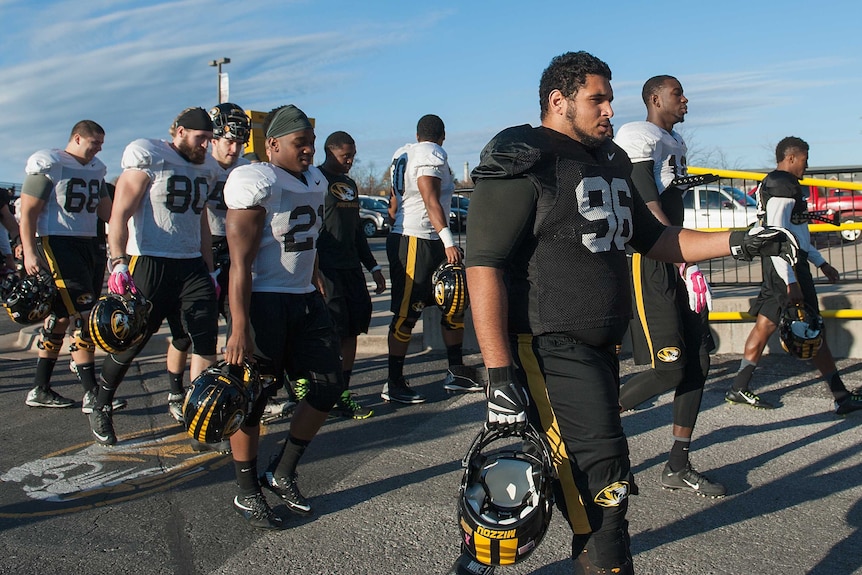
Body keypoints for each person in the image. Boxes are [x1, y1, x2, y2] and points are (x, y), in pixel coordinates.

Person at [452, 51, 799, 575]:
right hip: (547, 345)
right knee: (601, 495)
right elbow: (484, 264)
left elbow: (657, 238)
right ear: (558, 101)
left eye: (610, 98)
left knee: (575, 488)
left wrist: (741, 240)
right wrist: (498, 373)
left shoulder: (609, 159)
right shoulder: (529, 154)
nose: (611, 109)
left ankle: (479, 563)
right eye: (598, 99)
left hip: (600, 346)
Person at [222, 104, 346, 529]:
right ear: (272, 144)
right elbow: (240, 263)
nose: (309, 150)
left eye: (311, 142)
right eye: (300, 143)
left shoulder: (312, 178)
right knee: (253, 400)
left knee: (330, 384)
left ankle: (282, 470)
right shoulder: (255, 179)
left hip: (303, 297)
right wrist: (238, 327)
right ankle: (245, 489)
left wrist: (313, 274)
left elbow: (303, 237)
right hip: (263, 300)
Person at [614, 75, 725, 498]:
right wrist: (680, 252)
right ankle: (583, 426)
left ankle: (677, 463)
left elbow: (667, 193)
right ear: (655, 98)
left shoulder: (672, 140)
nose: (685, 100)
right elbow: (646, 202)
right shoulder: (637, 133)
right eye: (678, 93)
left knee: (698, 359)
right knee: (670, 367)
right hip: (652, 260)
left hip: (676, 257)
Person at [91, 107, 221, 446]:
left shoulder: (206, 167)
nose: (205, 145)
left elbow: (201, 222)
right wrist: (118, 261)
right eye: (200, 137)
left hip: (191, 265)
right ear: (178, 131)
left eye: (209, 139)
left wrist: (210, 270)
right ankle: (101, 404)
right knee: (131, 341)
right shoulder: (150, 155)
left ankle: (198, 418)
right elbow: (119, 213)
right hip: (149, 261)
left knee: (203, 340)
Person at [726, 136, 862, 414]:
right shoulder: (782, 185)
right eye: (804, 159)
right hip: (784, 265)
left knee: (765, 325)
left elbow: (797, 234)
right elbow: (776, 234)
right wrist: (790, 281)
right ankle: (841, 396)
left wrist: (821, 262)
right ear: (790, 158)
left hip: (784, 263)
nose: (807, 165)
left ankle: (738, 386)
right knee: (812, 327)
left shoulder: (784, 184)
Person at [382, 114, 481, 405]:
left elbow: (393, 204)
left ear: (417, 134)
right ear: (442, 136)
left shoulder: (403, 153)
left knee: (453, 304)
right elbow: (430, 198)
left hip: (418, 235)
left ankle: (455, 372)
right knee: (407, 314)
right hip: (418, 238)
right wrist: (448, 241)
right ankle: (393, 382)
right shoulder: (430, 153)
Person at [19, 121, 116, 411]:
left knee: (60, 318)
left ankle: (40, 388)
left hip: (87, 244)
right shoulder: (51, 163)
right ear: (76, 138)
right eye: (94, 142)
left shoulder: (97, 168)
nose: (99, 148)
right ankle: (92, 393)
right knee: (84, 315)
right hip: (56, 243)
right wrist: (29, 252)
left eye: (101, 143)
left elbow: (108, 211)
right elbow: (27, 213)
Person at [316, 130, 386, 419]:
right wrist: (314, 271)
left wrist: (374, 266)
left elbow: (357, 231)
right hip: (326, 269)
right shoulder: (314, 179)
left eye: (353, 156)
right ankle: (322, 391)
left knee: (354, 326)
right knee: (331, 331)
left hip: (350, 267)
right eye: (346, 156)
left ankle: (342, 389)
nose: (350, 161)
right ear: (330, 151)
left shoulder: (349, 184)